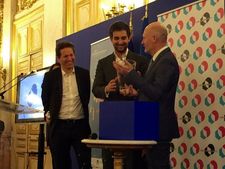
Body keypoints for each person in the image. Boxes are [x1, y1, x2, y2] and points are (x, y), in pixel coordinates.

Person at [113, 21, 180, 169]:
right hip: (151, 126)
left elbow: (156, 92)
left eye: (144, 38)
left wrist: (130, 74)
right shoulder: (158, 60)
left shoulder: (166, 60)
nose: (142, 42)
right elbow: (152, 91)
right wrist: (136, 92)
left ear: (154, 38)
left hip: (159, 127)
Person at [92, 21, 149, 169]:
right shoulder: (103, 63)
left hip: (136, 119)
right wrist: (106, 88)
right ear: (111, 39)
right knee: (110, 164)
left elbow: (149, 89)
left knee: (135, 164)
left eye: (123, 38)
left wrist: (136, 91)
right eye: (116, 38)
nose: (120, 42)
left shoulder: (141, 61)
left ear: (129, 38)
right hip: (112, 120)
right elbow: (95, 89)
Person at [41, 41, 92, 169]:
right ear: (59, 58)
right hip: (59, 127)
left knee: (85, 163)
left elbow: (87, 97)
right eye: (65, 56)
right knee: (60, 164)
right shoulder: (50, 77)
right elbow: (45, 98)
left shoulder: (84, 74)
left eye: (71, 55)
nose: (70, 59)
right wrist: (47, 112)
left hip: (80, 126)